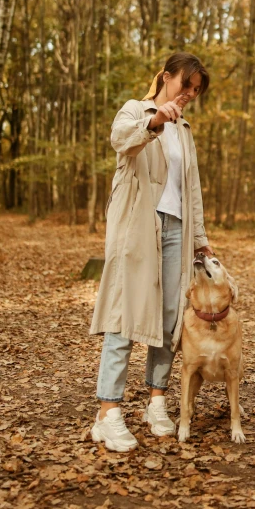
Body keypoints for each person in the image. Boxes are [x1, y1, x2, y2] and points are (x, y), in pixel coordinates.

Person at [89, 52, 213, 452]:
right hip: (139, 225)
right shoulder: (134, 110)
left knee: (169, 320)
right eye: (185, 85)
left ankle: (156, 402)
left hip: (178, 228)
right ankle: (108, 413)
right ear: (166, 77)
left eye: (196, 90)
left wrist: (200, 238)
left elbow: (190, 188)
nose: (190, 94)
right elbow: (120, 141)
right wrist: (155, 120)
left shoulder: (186, 130)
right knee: (125, 314)